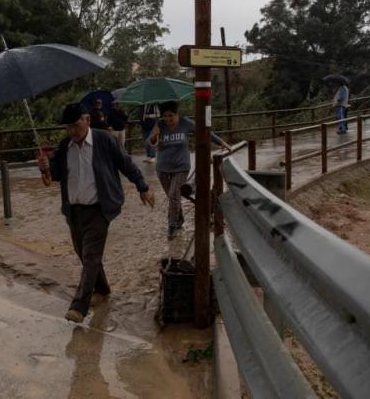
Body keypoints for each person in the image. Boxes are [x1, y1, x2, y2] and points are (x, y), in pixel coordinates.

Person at [38, 103, 155, 323]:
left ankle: (79, 307)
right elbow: (56, 175)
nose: (73, 131)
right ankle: (103, 289)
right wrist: (45, 167)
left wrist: (143, 187)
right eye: (68, 127)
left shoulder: (104, 140)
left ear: (87, 121)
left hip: (99, 209)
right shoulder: (65, 146)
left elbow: (126, 164)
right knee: (85, 255)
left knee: (91, 256)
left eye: (76, 125)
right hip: (74, 211)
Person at [148, 101, 232, 239]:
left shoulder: (185, 123)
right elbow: (150, 144)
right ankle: (179, 218)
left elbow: (204, 131)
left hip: (181, 166)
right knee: (172, 197)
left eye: (171, 116)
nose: (168, 119)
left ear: (177, 114)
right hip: (162, 168)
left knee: (174, 195)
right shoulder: (159, 125)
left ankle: (172, 226)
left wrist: (221, 142)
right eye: (165, 116)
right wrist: (154, 135)